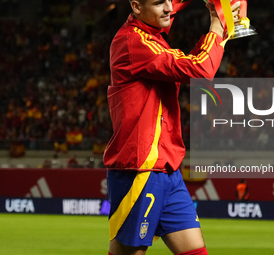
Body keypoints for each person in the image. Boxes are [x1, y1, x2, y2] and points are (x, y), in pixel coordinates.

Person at [103, 0, 240, 254]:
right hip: (140, 170)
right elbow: (199, 69)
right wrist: (218, 24)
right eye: (158, 3)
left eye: (169, 1)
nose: (168, 8)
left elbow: (171, 5)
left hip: (168, 170)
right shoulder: (134, 42)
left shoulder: (152, 33)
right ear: (135, 6)